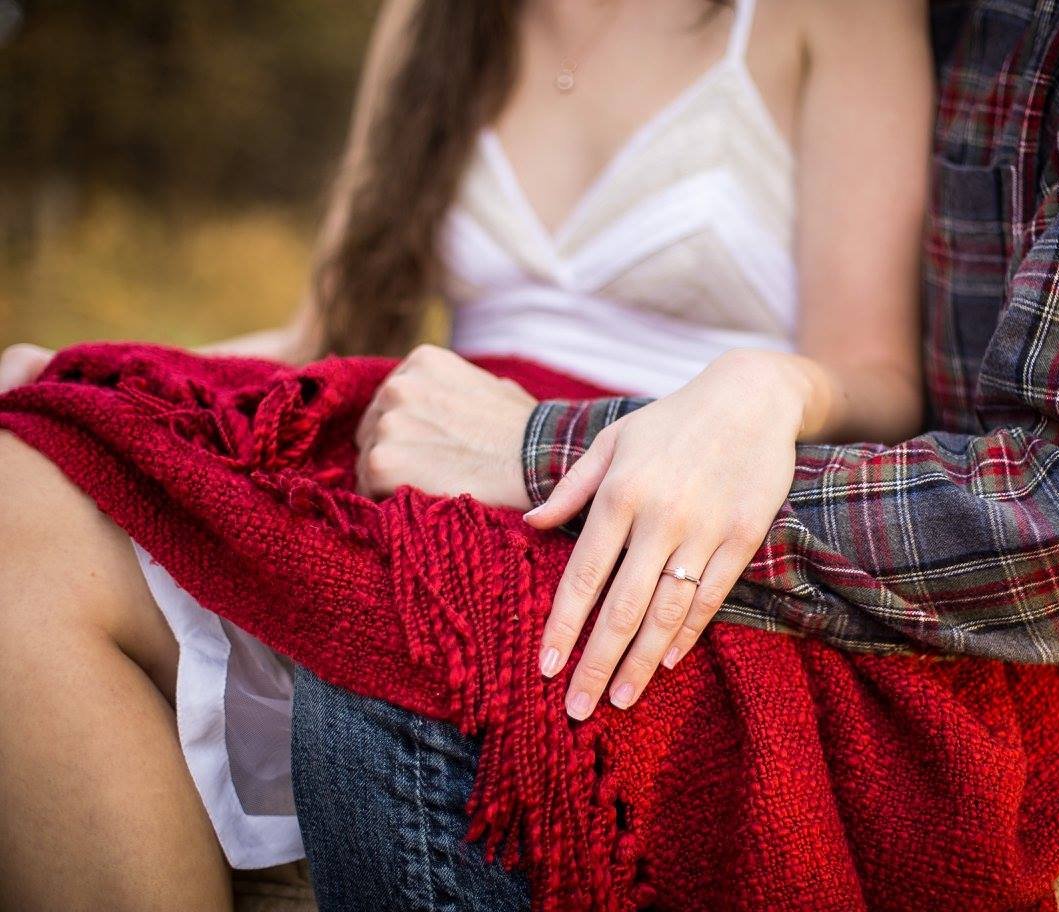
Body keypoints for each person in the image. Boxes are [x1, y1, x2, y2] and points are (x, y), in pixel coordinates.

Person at [288, 0, 1059, 906]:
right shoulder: (933, 17)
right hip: (893, 641)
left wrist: (551, 452)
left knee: (410, 675)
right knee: (384, 597)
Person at [0, 0, 935, 909]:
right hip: (426, 479)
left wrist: (758, 389)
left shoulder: (836, 12)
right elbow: (320, 331)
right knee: (15, 500)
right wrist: (75, 378)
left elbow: (877, 377)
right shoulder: (433, 14)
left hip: (649, 510)